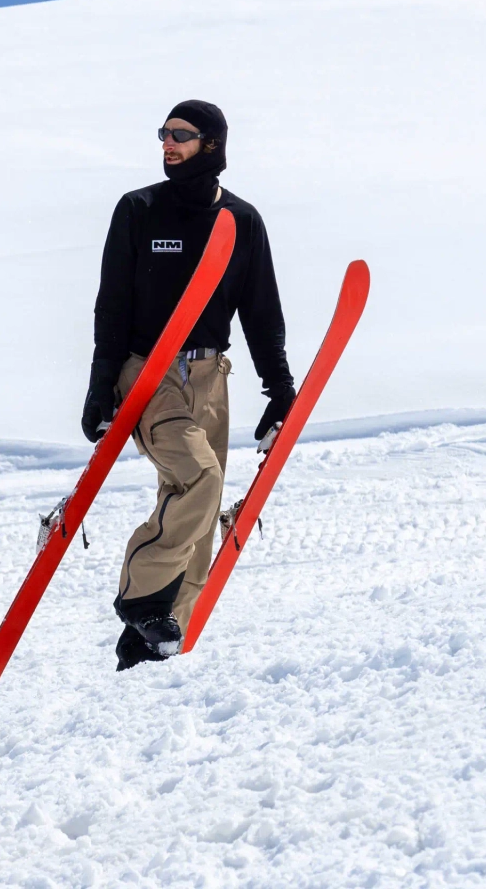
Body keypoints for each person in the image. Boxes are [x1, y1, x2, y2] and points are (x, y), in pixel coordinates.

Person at [82, 100, 296, 670]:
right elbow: (112, 305)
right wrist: (101, 389)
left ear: (213, 144)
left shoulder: (242, 221)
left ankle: (156, 640)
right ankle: (141, 598)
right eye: (164, 133)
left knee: (201, 515)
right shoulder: (139, 210)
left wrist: (279, 390)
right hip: (146, 372)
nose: (168, 143)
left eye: (181, 134)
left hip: (210, 375)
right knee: (199, 480)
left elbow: (262, 312)